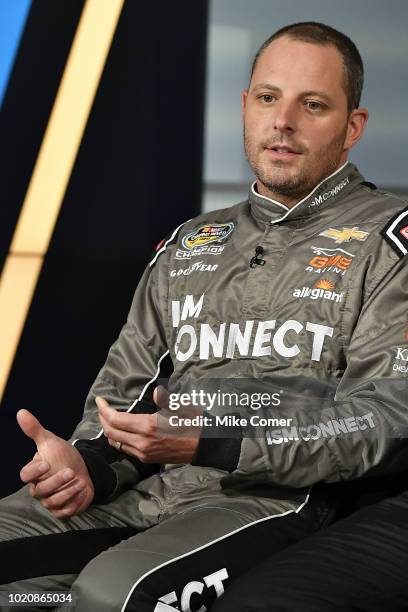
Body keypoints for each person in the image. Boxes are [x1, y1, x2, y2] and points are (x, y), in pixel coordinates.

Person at [1, 20, 407, 612]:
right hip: (149, 493)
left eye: (312, 105)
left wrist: (217, 443)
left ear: (353, 128)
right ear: (245, 107)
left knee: (112, 595)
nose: (283, 122)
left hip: (274, 500)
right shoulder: (193, 241)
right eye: (268, 98)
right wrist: (87, 465)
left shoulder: (389, 239)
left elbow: (387, 418)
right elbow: (123, 397)